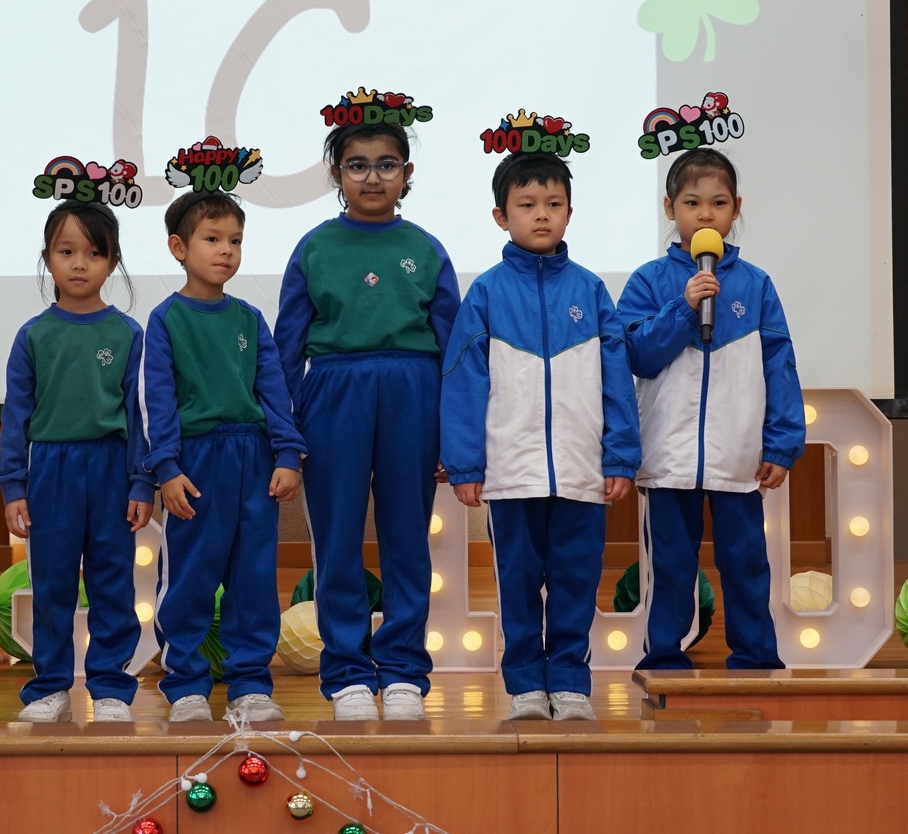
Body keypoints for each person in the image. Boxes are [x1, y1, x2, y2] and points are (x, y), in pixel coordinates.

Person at [439, 150, 640, 721]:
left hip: (581, 470)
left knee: (577, 580)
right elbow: (463, 382)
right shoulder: (486, 293)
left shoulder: (591, 290)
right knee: (518, 582)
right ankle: (526, 684)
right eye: (527, 205)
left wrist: (620, 455)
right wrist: (466, 464)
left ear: (570, 212)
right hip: (511, 472)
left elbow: (617, 379)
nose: (542, 214)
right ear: (501, 216)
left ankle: (571, 683)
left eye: (554, 204)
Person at [275, 110, 460, 721]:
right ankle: (347, 672)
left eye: (386, 165)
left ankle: (404, 669)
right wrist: (286, 430)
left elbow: (456, 350)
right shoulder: (315, 247)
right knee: (337, 538)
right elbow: (286, 349)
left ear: (407, 173)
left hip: (413, 392)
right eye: (357, 166)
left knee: (408, 537)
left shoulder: (426, 249)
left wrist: (453, 435)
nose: (372, 177)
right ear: (337, 174)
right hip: (334, 392)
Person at [620, 147, 805, 671]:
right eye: (692, 202)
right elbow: (636, 355)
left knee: (746, 563)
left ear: (736, 208)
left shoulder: (756, 284)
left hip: (737, 456)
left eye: (719, 203)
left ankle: (756, 659)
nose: (706, 214)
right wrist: (684, 306)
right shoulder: (649, 281)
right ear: (669, 208)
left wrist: (782, 443)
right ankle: (664, 659)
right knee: (671, 566)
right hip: (669, 457)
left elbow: (780, 366)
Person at [143, 191, 304, 723]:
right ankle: (186, 684)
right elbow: (158, 400)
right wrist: (167, 469)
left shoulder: (250, 318)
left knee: (253, 577)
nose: (226, 251)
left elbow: (274, 390)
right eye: (212, 239)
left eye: (235, 240)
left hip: (252, 459)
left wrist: (287, 453)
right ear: (178, 247)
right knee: (190, 576)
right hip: (195, 464)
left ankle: (250, 683)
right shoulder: (166, 319)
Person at [0, 201, 152, 721]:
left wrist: (141, 482)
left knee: (113, 582)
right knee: (52, 583)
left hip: (110, 469)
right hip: (51, 470)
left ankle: (110, 689)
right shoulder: (33, 335)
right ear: (47, 258)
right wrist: (13, 486)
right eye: (66, 251)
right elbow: (16, 415)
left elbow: (140, 416)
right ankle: (49, 687)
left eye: (94, 253)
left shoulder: (129, 334)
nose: (80, 263)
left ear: (113, 262)